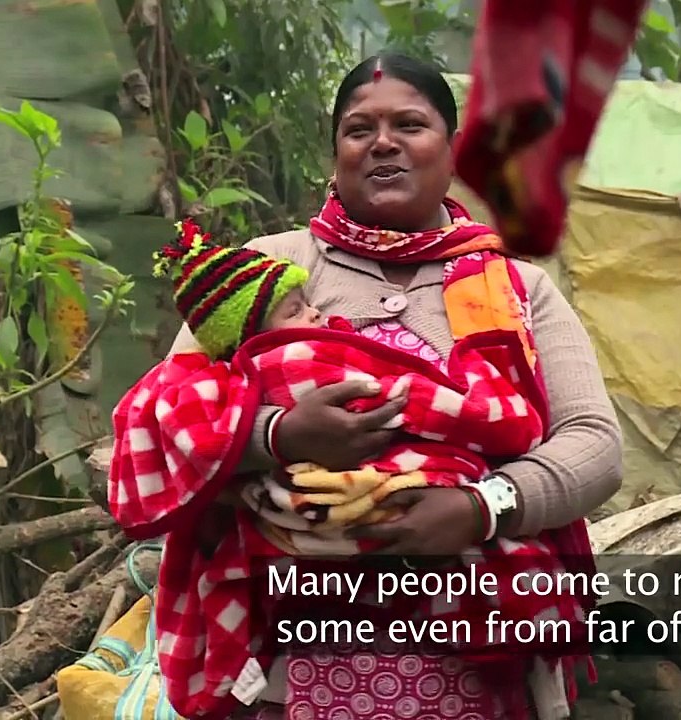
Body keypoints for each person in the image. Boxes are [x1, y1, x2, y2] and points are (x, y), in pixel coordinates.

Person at [113, 52, 623, 719]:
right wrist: (278, 435)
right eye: (359, 129)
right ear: (336, 155)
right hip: (290, 666)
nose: (383, 143)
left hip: (482, 661)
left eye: (409, 124)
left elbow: (595, 443)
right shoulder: (266, 272)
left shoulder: (519, 289)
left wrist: (484, 506)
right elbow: (158, 423)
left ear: (453, 149)